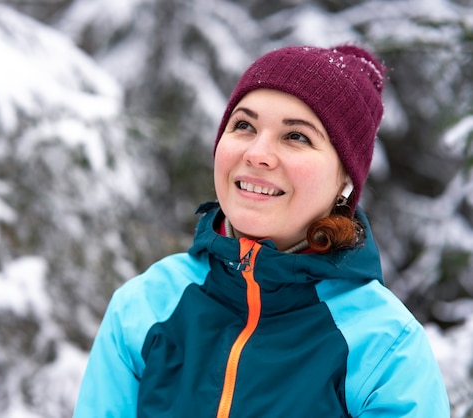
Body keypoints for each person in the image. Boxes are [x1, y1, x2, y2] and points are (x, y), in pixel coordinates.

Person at [73, 44, 450, 417]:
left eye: (297, 136)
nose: (257, 153)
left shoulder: (383, 347)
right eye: (244, 125)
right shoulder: (147, 305)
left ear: (345, 182)